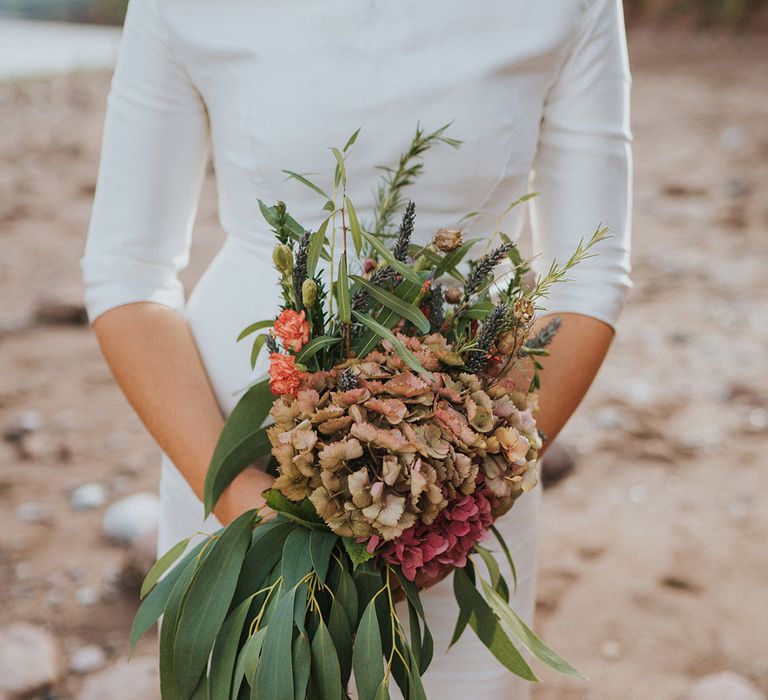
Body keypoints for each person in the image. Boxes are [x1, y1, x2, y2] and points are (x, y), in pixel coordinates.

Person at [81, 0, 632, 697]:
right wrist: (242, 504)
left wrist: (469, 496)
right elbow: (126, 272)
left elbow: (591, 277)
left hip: (459, 467)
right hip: (230, 443)